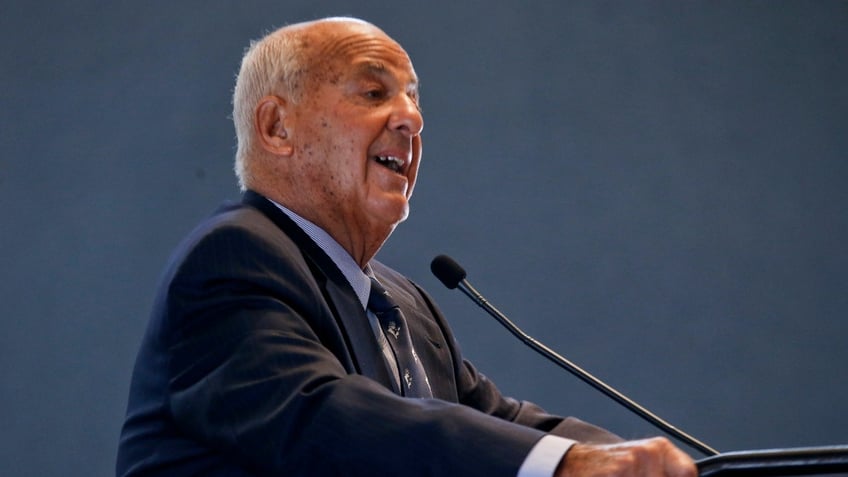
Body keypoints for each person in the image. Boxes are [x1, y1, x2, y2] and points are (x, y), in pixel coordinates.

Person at [116, 17, 697, 477]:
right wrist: (566, 466)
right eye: (373, 92)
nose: (412, 119)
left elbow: (496, 422)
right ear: (277, 129)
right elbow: (325, 419)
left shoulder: (402, 302)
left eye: (415, 100)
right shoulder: (233, 260)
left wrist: (663, 465)